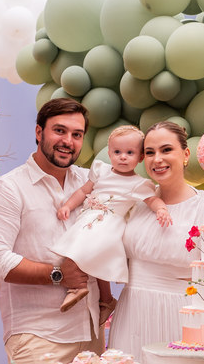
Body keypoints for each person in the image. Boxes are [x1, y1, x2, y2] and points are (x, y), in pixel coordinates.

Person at [0, 98, 109, 364]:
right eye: (59, 131)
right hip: (38, 335)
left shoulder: (88, 184)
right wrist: (57, 274)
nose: (68, 141)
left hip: (89, 333)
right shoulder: (10, 189)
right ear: (39, 132)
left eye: (77, 134)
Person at [107, 121, 204, 364]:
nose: (158, 159)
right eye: (150, 152)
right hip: (133, 311)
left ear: (185, 154)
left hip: (182, 313)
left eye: (167, 149)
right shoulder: (136, 203)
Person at [51, 125, 172, 312]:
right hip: (90, 216)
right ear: (109, 153)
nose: (122, 157)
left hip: (109, 223)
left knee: (78, 248)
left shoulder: (137, 183)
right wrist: (68, 205)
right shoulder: (101, 170)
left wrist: (161, 209)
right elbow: (84, 191)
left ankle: (78, 287)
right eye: (117, 152)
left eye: (130, 152)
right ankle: (106, 299)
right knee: (96, 259)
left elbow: (152, 199)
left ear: (140, 157)